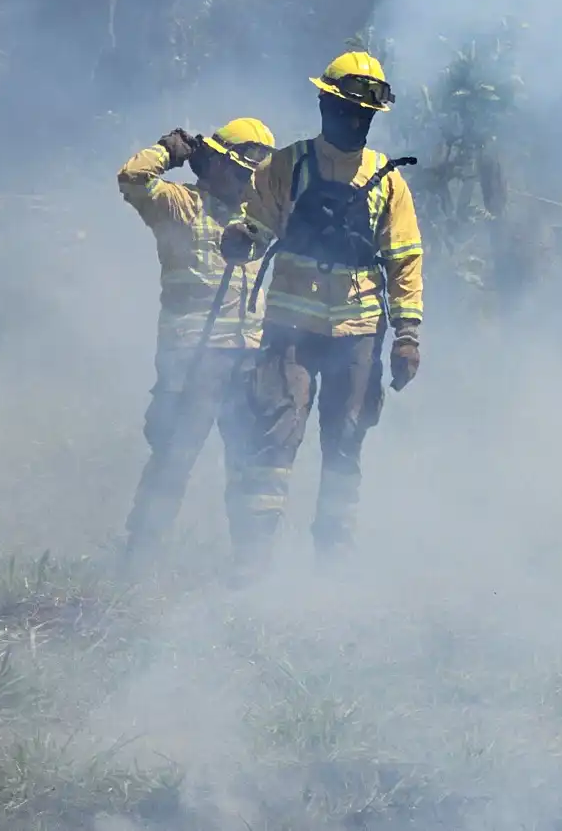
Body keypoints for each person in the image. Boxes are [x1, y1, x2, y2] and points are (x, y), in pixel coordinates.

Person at [220, 52, 423, 577]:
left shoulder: (389, 180)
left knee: (345, 442)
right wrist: (242, 237)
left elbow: (404, 260)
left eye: (363, 115)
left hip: (357, 333)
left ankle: (332, 571)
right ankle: (253, 565)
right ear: (323, 105)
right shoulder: (287, 165)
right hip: (289, 328)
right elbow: (258, 219)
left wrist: (407, 336)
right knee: (273, 435)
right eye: (343, 110)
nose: (352, 122)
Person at [115, 119, 277, 571]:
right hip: (192, 356)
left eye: (255, 176)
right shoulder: (181, 205)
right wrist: (170, 151)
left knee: (248, 464)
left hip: (248, 356)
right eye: (242, 172)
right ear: (217, 165)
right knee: (175, 455)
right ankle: (140, 560)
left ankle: (249, 566)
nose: (248, 183)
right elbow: (132, 178)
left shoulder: (255, 221)